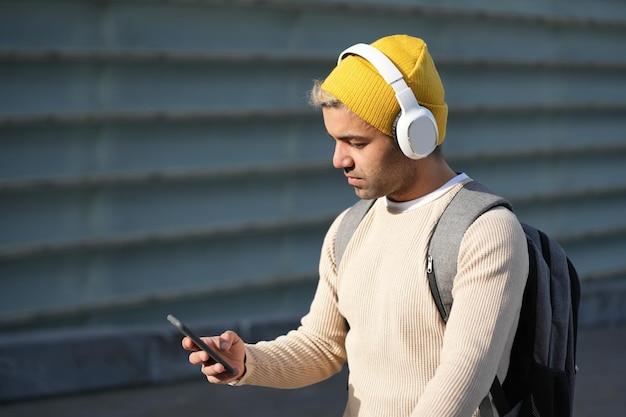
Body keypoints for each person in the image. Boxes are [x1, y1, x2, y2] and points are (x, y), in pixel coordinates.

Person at [182, 34, 529, 417]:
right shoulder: (348, 228)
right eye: (335, 140)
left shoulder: (485, 230)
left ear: (417, 136)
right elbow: (323, 345)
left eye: (356, 143)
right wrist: (248, 361)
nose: (338, 160)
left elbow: (465, 375)